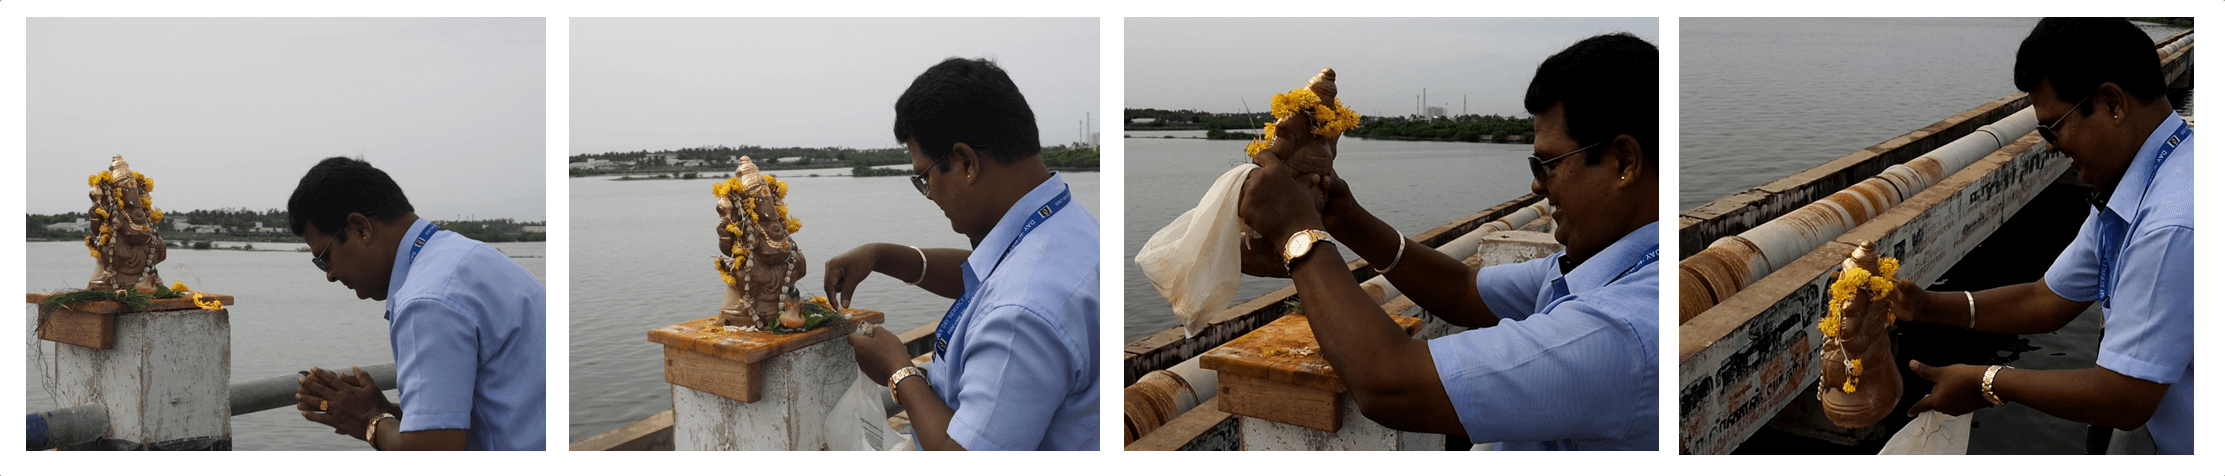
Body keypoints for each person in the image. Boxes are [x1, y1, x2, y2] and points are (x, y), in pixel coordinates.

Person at [1236, 33, 1659, 450]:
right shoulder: (1606, 266)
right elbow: (1464, 290)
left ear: (1624, 162)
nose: (1536, 184)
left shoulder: (1619, 331)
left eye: (1547, 164)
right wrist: (1346, 220)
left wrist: (1296, 232)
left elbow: (1387, 382)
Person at [1895, 18, 2191, 455]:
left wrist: (1988, 381)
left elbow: (2124, 398)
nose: (2050, 146)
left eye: (2054, 127)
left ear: (2112, 103)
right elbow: (2046, 299)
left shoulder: (2173, 223)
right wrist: (1924, 306)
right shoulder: (2141, 184)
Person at [825, 57, 1099, 451]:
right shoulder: (1062, 223)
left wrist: (898, 369)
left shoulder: (1021, 314)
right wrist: (881, 256)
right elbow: (990, 282)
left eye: (925, 177)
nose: (929, 194)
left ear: (966, 162)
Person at [287, 157, 548, 451]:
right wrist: (385, 411)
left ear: (360, 228)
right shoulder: (465, 256)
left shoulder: (426, 302)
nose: (330, 275)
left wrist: (367, 421)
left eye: (325, 258)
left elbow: (433, 452)